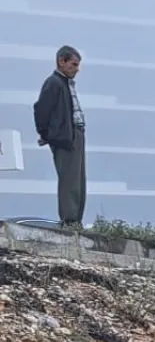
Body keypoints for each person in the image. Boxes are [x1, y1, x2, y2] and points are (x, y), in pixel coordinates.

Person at [33, 46, 86, 227]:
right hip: (65, 137)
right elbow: (41, 110)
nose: (76, 69)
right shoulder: (54, 82)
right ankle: (70, 220)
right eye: (73, 64)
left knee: (78, 180)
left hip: (75, 133)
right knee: (69, 180)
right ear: (61, 61)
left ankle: (76, 220)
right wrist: (47, 134)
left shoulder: (65, 83)